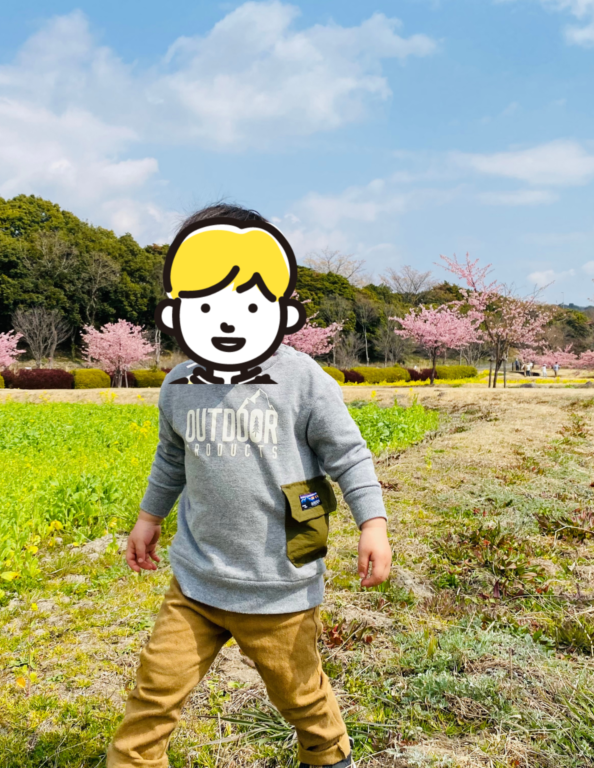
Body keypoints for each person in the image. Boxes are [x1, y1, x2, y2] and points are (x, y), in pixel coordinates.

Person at [108, 204, 392, 768]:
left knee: (302, 699)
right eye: (209, 306)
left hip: (281, 584)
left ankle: (330, 757)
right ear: (179, 312)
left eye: (250, 306)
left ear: (280, 313)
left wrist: (373, 523)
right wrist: (148, 518)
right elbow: (172, 457)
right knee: (152, 696)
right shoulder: (179, 383)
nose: (229, 321)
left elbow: (348, 454)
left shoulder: (301, 378)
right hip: (196, 583)